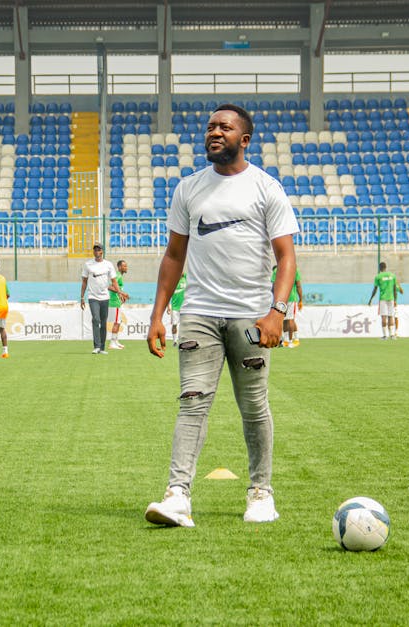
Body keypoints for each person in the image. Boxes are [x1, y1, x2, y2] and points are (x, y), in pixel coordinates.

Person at [144, 103, 298, 527]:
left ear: (244, 139)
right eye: (210, 126)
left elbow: (287, 258)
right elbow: (174, 256)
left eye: (224, 127)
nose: (214, 132)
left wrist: (276, 313)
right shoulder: (188, 189)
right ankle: (177, 495)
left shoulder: (267, 188)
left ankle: (261, 493)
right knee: (192, 403)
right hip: (198, 313)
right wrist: (157, 315)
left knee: (254, 406)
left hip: (252, 317)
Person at [80, 243, 127, 354]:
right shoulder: (88, 265)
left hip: (105, 297)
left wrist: (120, 293)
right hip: (93, 297)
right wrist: (82, 297)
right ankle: (96, 346)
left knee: (103, 322)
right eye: (95, 250)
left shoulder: (108, 265)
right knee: (96, 319)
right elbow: (84, 282)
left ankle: (102, 348)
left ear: (102, 251)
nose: (97, 251)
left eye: (99, 249)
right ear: (93, 252)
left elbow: (114, 281)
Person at [368, 261, 402, 340]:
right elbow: (394, 289)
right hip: (391, 298)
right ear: (386, 267)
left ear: (379, 268)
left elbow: (375, 289)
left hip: (383, 299)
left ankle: (385, 336)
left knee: (384, 317)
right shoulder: (392, 276)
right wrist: (395, 300)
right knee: (391, 316)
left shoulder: (378, 276)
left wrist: (370, 299)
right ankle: (392, 335)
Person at [272, 264, 303, 347]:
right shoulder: (294, 269)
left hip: (283, 298)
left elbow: (274, 286)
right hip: (289, 298)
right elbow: (298, 285)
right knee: (287, 319)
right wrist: (301, 299)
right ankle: (286, 340)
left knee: (289, 320)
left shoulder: (276, 270)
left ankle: (292, 340)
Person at [107, 259, 129, 350]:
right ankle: (112, 343)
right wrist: (122, 293)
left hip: (117, 302)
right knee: (116, 323)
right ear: (119, 267)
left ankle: (116, 341)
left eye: (126, 266)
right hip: (114, 303)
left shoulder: (119, 276)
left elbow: (117, 289)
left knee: (119, 322)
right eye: (124, 266)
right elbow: (109, 286)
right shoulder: (117, 276)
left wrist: (121, 295)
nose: (126, 267)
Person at [166, 273, 187, 347]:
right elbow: (167, 295)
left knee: (184, 324)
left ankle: (183, 340)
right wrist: (168, 306)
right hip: (175, 308)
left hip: (185, 307)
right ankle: (175, 341)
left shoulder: (186, 278)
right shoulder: (172, 282)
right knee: (174, 325)